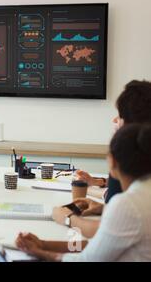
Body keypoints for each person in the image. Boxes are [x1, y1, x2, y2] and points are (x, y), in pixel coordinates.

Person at [16, 123, 151, 262]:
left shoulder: (127, 204)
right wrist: (43, 244)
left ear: (112, 162)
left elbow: (87, 259)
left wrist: (39, 252)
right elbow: (100, 246)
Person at [52, 80, 151, 238]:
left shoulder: (124, 158)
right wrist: (103, 202)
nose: (114, 121)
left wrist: (67, 218)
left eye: (120, 116)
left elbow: (107, 231)